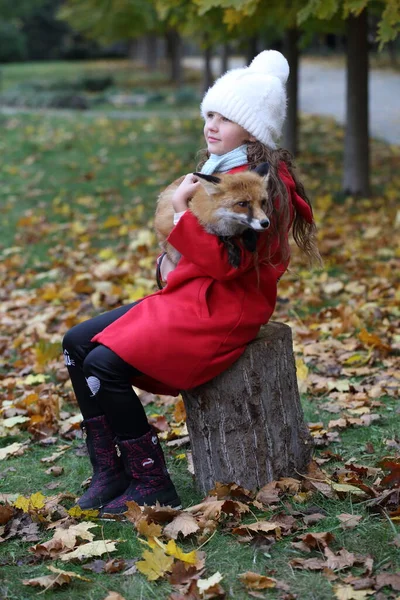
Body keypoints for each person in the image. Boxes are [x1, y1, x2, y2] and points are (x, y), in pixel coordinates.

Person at [62, 50, 321, 516]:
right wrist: (171, 258)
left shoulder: (265, 184)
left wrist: (182, 213)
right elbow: (198, 253)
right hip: (192, 292)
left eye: (227, 117)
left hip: (226, 307)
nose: (212, 124)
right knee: (75, 343)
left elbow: (227, 267)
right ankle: (110, 470)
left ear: (255, 129)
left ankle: (151, 481)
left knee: (103, 363)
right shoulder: (223, 168)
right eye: (210, 114)